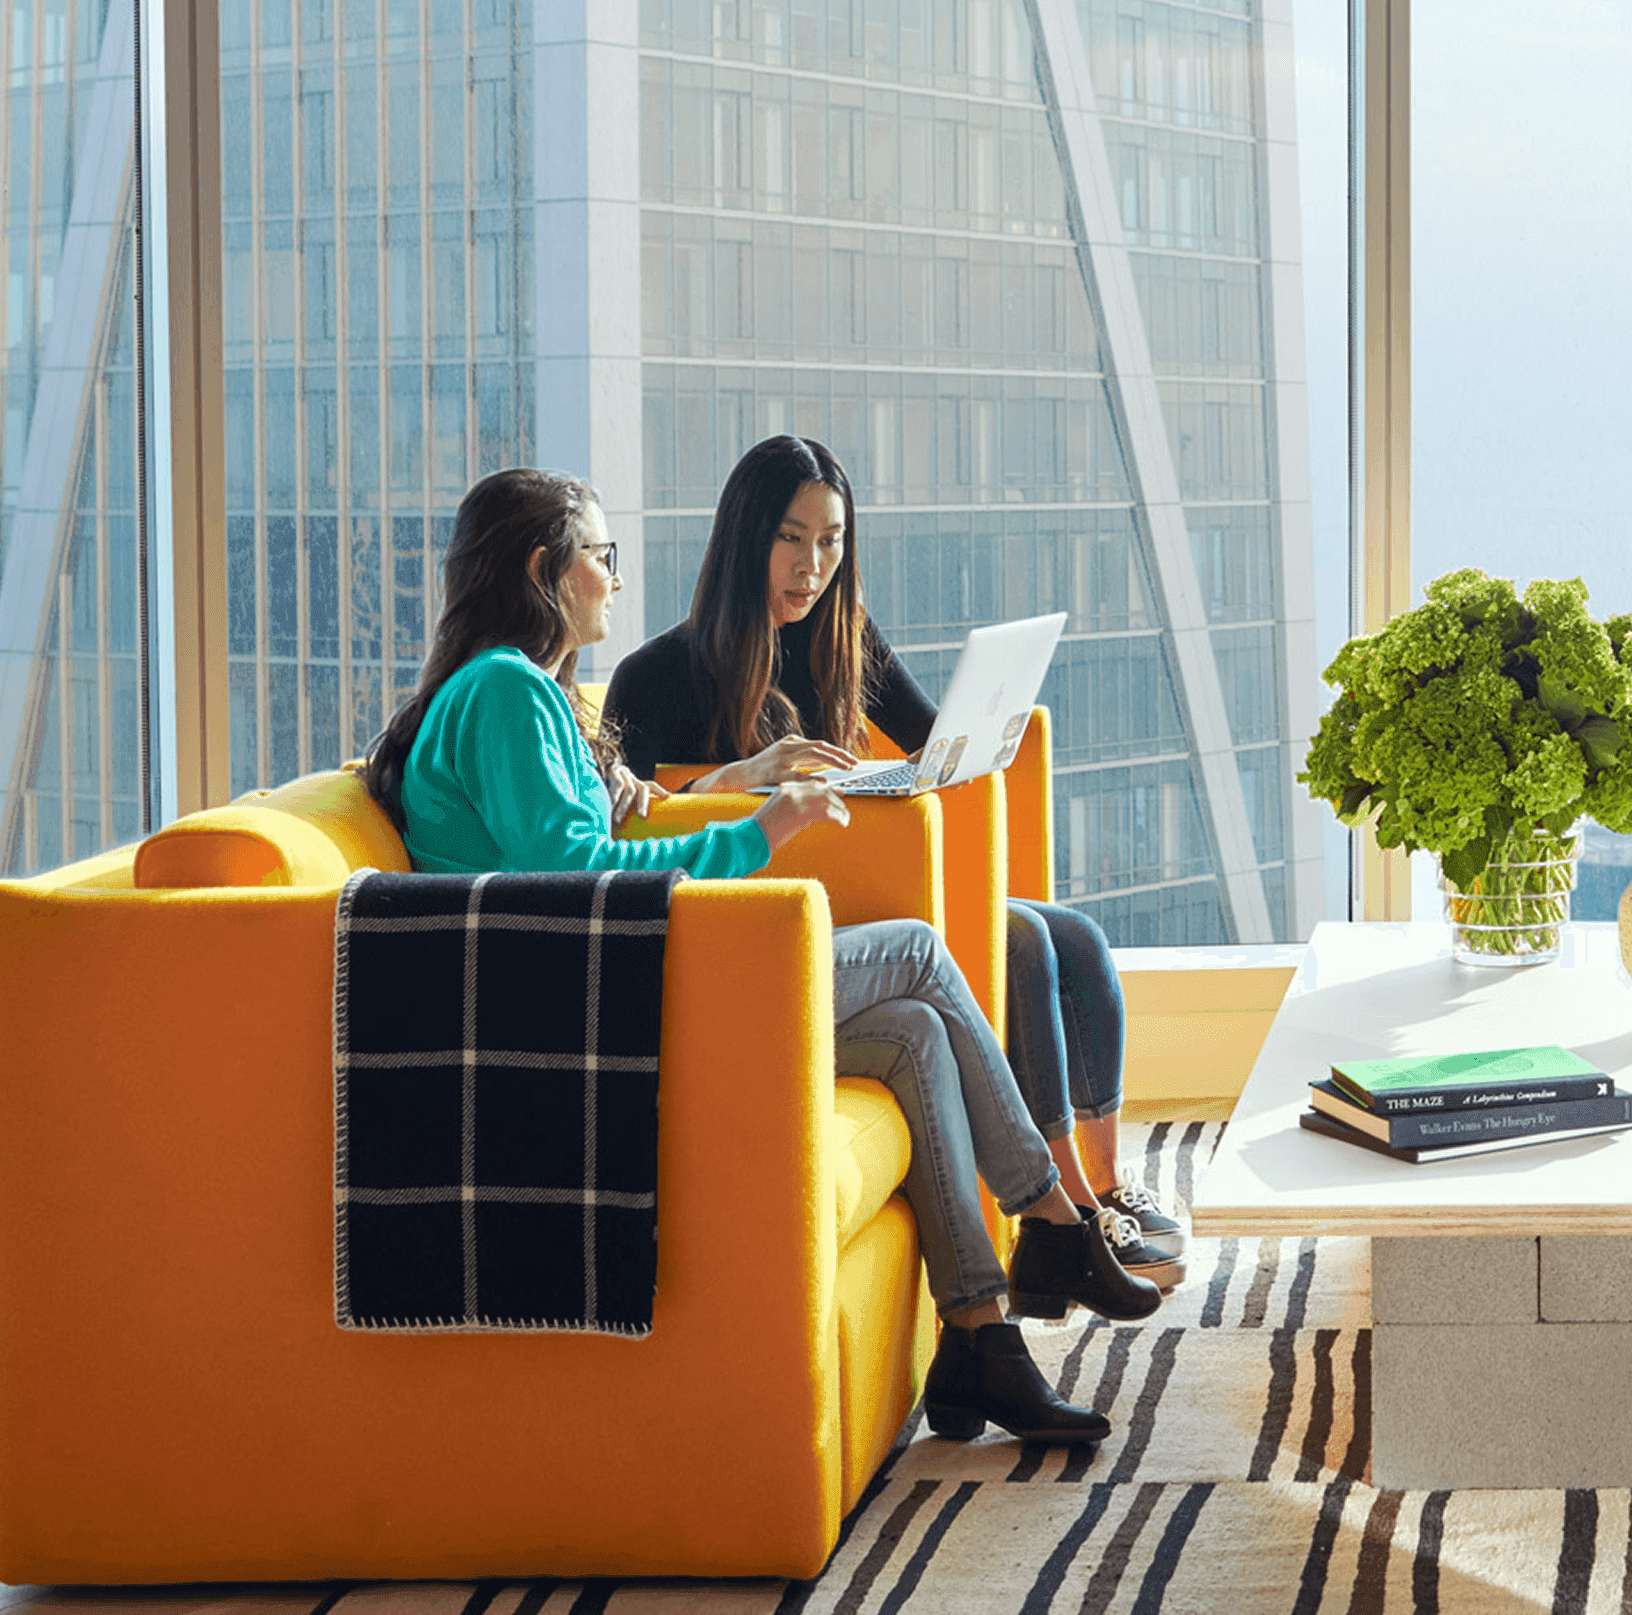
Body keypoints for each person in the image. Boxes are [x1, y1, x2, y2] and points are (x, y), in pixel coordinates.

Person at [362, 467, 1161, 1450]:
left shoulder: (518, 696)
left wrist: (690, 791)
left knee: (912, 1029)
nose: (613, 579)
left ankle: (979, 1336)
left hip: (610, 980)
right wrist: (760, 830)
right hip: (602, 998)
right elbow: (573, 879)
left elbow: (587, 839)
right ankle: (1046, 1212)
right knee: (915, 948)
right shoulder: (504, 691)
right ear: (544, 570)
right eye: (600, 558)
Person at [602, 434, 1187, 1290]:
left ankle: (1103, 1186)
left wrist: (978, 731)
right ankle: (1071, 1210)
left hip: (874, 875)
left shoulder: (842, 635)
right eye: (790, 539)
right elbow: (640, 819)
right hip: (793, 904)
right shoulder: (657, 674)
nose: (811, 566)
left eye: (831, 541)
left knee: (1075, 939)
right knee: (1020, 941)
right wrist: (738, 778)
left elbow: (927, 741)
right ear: (744, 538)